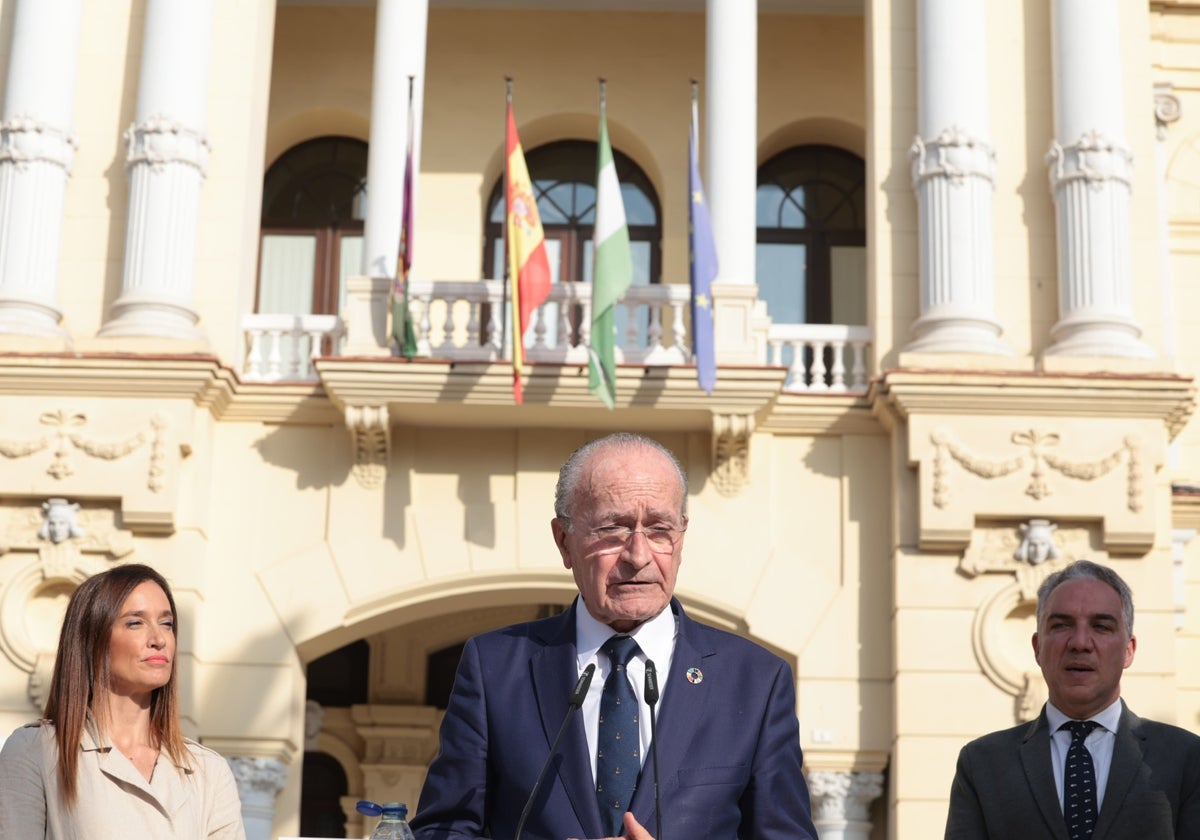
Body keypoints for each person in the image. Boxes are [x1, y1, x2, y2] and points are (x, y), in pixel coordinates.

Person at [411, 433, 818, 840]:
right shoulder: (495, 668)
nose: (638, 555)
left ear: (681, 538)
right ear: (564, 541)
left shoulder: (755, 682)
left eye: (659, 530)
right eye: (612, 529)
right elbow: (441, 830)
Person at [945, 559, 1200, 838]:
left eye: (1101, 626)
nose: (1080, 642)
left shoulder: (1186, 758)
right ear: (1038, 647)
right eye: (1061, 625)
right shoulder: (982, 764)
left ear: (1128, 650)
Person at [0, 563, 246, 839]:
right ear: (92, 640)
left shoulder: (207, 770)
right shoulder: (36, 751)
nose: (159, 639)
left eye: (167, 624)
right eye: (135, 622)